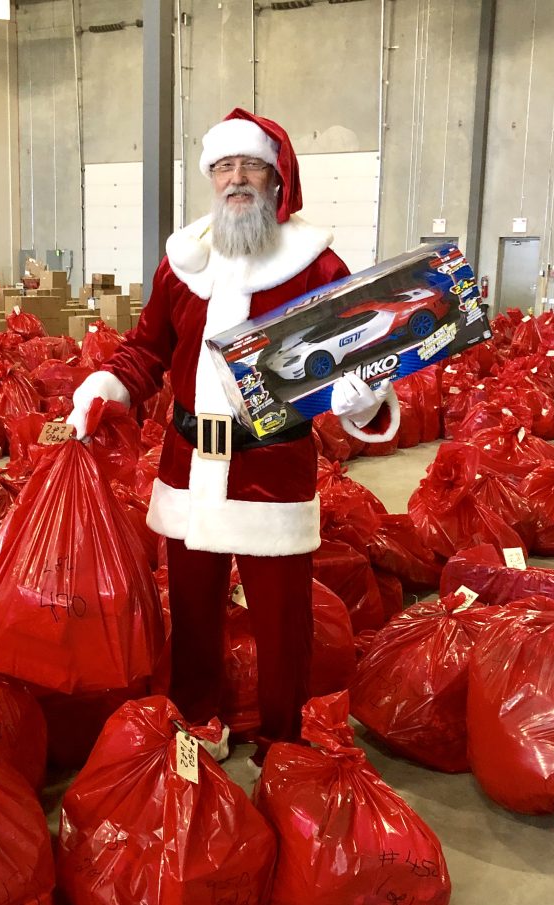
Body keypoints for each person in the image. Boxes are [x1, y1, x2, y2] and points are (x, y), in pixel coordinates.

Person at [69, 108, 397, 767]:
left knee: (283, 623)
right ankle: (198, 720)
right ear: (210, 179)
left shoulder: (316, 266)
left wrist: (364, 396)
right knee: (190, 611)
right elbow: (145, 350)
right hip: (188, 464)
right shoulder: (182, 263)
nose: (236, 179)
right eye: (223, 168)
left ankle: (283, 738)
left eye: (250, 166)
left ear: (277, 179)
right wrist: (105, 387)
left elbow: (362, 356)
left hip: (270, 468)